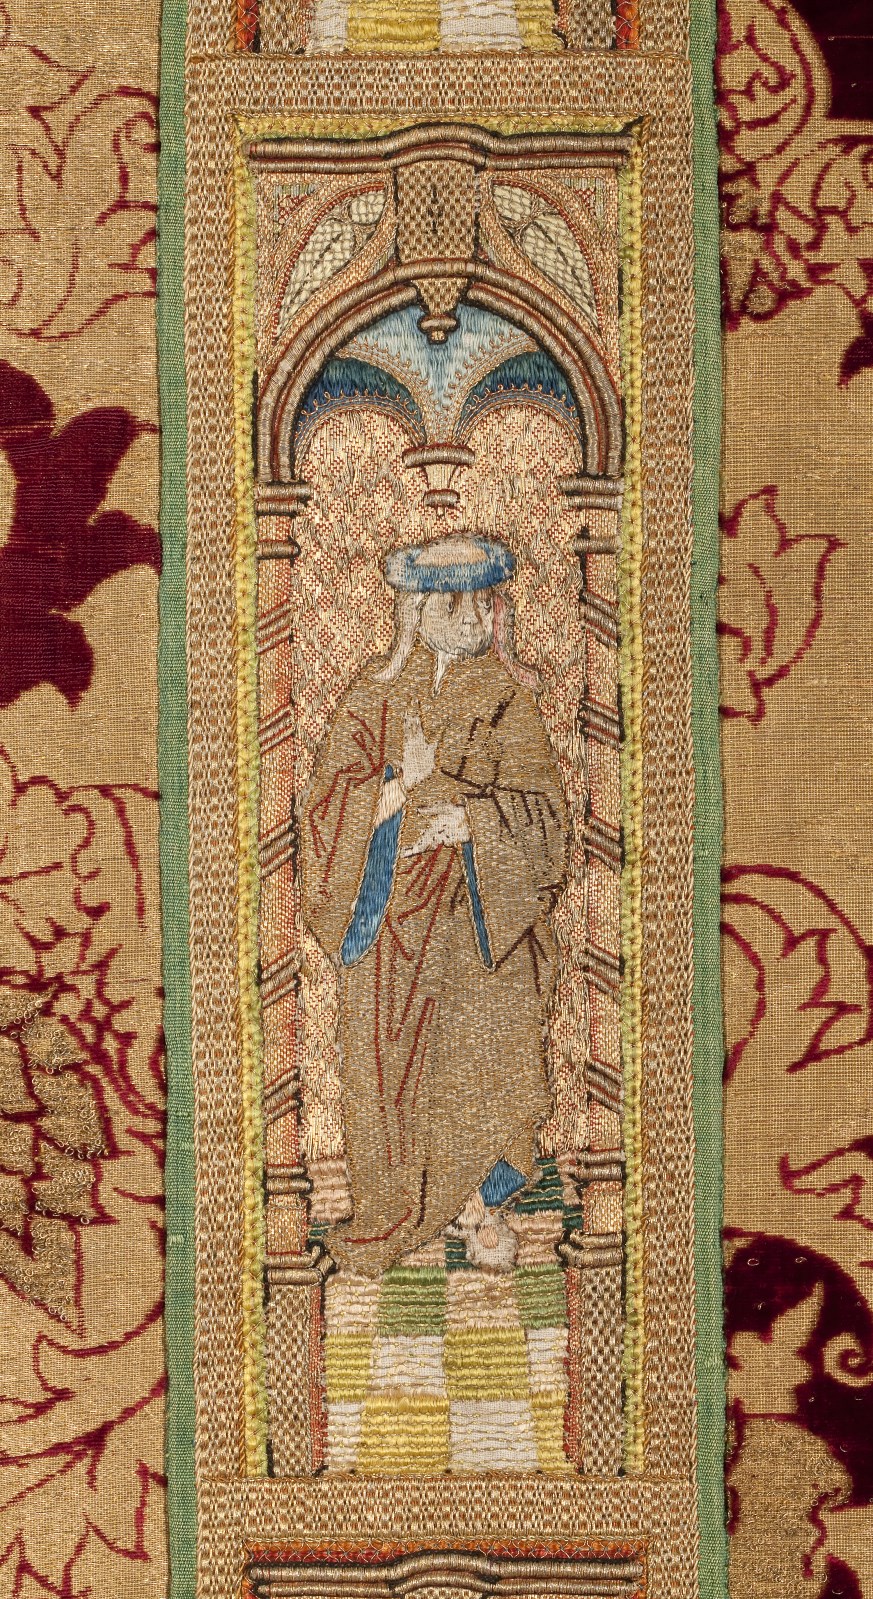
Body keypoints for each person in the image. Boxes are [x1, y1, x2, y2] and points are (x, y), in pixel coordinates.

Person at [300, 533, 568, 1276]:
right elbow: (324, 815)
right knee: (393, 1071)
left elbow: (548, 822)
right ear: (417, 610)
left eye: (484, 602)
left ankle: (480, 1202)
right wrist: (398, 787)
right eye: (456, 604)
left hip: (481, 923)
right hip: (389, 921)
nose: (474, 617)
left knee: (494, 1045)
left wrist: (473, 823)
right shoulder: (371, 696)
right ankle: (396, 1206)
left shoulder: (509, 702)